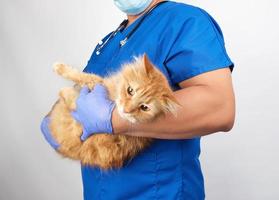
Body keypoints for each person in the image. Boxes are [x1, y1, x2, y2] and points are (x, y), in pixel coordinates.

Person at [41, 0, 235, 199]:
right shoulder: (111, 40)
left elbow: (218, 106)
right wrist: (60, 118)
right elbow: (87, 97)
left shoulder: (185, 21)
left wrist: (113, 119)